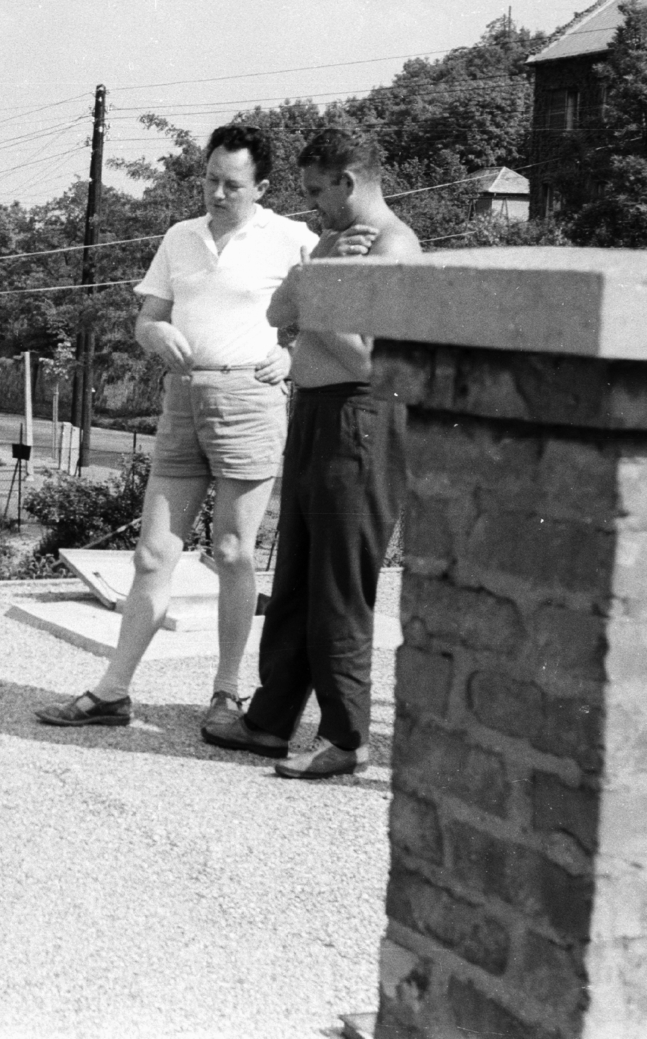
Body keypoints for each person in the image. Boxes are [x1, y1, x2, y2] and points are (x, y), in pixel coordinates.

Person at [37, 125, 330, 730]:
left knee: (231, 552)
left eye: (232, 184)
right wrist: (155, 333)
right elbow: (147, 318)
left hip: (249, 400)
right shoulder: (180, 237)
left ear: (262, 186)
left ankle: (227, 693)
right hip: (182, 400)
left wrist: (295, 356)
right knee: (151, 555)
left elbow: (336, 318)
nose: (217, 194)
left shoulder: (293, 238)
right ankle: (113, 692)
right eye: (209, 180)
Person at [201, 128, 420, 778]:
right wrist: (314, 270)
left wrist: (318, 294)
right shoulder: (335, 241)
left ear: (349, 183)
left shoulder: (393, 247)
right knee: (294, 574)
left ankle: (347, 736)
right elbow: (276, 313)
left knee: (338, 584)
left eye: (319, 192)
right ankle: (270, 721)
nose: (312, 206)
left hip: (363, 415)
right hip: (318, 412)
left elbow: (376, 362)